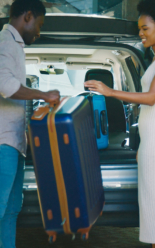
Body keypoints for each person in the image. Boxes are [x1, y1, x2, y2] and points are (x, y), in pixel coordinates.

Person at [84, 0, 155, 247]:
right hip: (154, 140)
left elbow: (151, 98)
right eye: (140, 28)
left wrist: (111, 92)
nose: (141, 33)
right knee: (152, 205)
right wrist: (143, 146)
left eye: (145, 28)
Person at [0, 1, 60, 247]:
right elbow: (4, 86)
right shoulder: (5, 42)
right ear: (28, 16)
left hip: (15, 144)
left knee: (11, 210)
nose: (39, 31)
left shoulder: (15, 44)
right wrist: (43, 95)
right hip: (3, 144)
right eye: (39, 24)